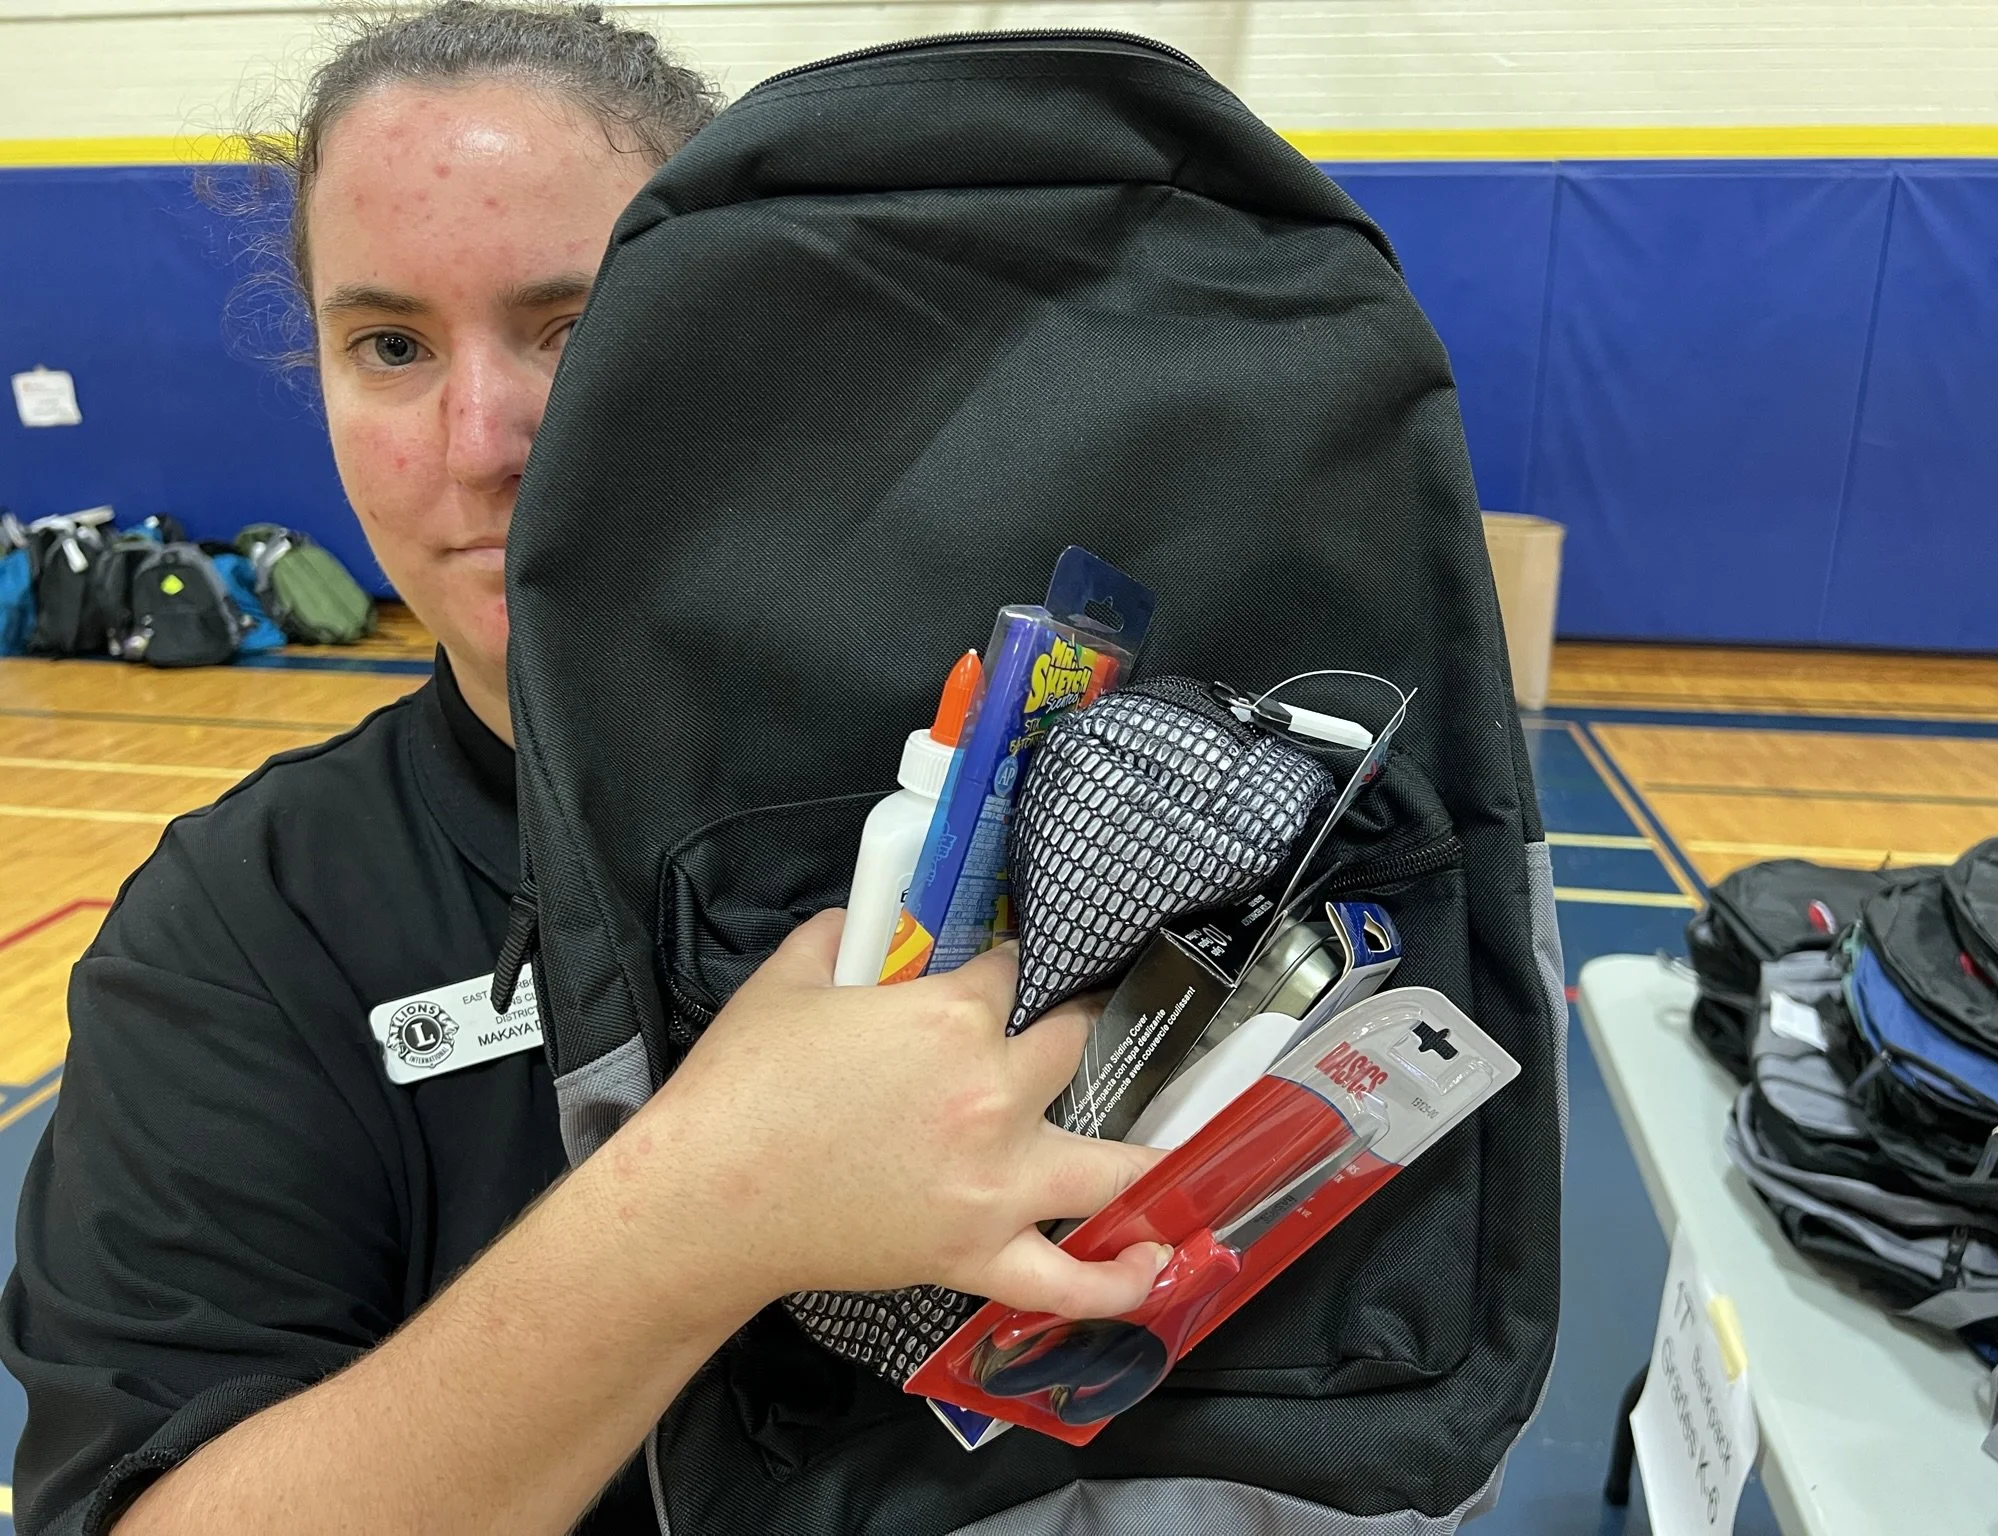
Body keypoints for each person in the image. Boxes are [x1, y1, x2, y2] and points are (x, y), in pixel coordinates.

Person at [0, 6, 1168, 1532]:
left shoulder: (1038, 804)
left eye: (575, 327)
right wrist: (697, 1211)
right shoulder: (241, 931)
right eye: (391, 344)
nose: (482, 437)